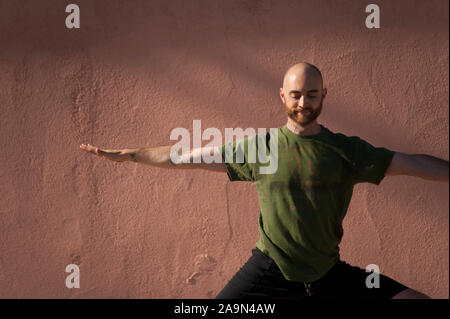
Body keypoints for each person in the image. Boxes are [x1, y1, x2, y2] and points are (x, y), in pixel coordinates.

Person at [80, 62, 448, 299]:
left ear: (323, 97)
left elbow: (412, 162)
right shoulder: (262, 148)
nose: (304, 102)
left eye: (312, 94)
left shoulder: (346, 151)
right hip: (270, 270)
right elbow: (185, 157)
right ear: (283, 97)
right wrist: (131, 155)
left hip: (328, 275)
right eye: (296, 94)